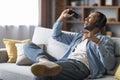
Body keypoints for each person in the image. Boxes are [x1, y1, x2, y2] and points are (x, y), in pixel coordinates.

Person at [24, 9, 116, 80]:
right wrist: (61, 18)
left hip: (80, 67)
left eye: (90, 17)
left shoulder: (105, 40)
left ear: (98, 23)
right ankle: (44, 60)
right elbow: (56, 35)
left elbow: (110, 65)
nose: (85, 19)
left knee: (42, 72)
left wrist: (97, 42)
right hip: (64, 62)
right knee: (28, 45)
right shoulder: (79, 36)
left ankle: (46, 64)